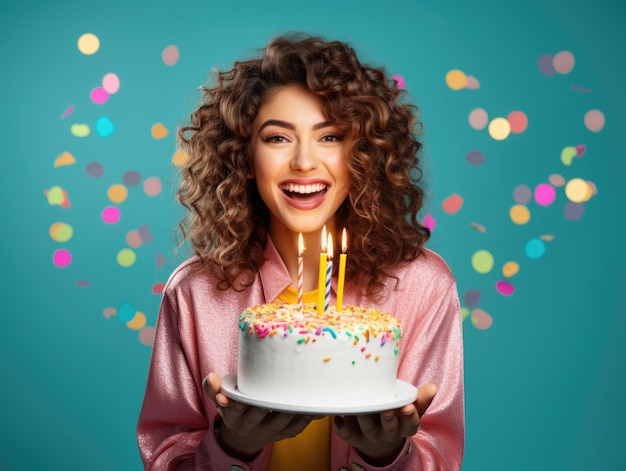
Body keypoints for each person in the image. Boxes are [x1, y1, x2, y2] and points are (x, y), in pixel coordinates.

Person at [137, 32, 464, 470]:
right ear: (245, 158)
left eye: (330, 137)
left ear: (361, 153)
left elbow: (438, 458)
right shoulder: (195, 292)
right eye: (277, 138)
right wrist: (232, 444)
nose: (305, 162)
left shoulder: (422, 285)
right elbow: (165, 455)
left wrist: (385, 453)